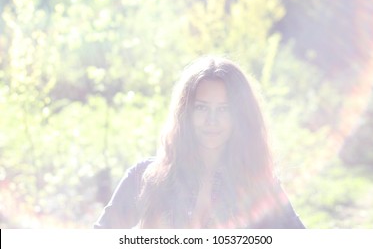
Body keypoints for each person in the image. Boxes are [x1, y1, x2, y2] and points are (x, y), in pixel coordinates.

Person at [94, 56, 305, 229]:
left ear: (240, 116)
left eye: (224, 109)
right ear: (185, 113)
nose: (211, 120)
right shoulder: (143, 176)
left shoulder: (260, 186)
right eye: (201, 107)